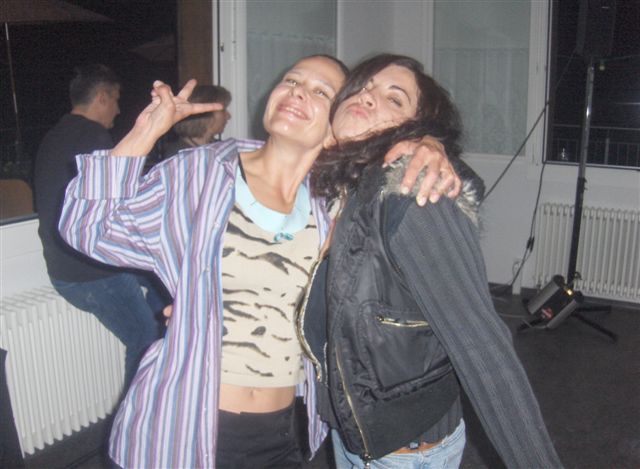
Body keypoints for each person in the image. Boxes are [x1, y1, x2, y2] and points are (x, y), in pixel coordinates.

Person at [58, 55, 460, 468]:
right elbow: (89, 229)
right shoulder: (201, 174)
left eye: (320, 91)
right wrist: (147, 130)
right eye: (292, 80)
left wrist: (429, 144)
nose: (297, 92)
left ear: (335, 129)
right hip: (188, 424)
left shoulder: (333, 203)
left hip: (285, 432)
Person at [304, 54, 563, 468]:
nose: (368, 97)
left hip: (406, 452)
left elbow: (483, 348)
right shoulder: (341, 188)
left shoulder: (414, 195)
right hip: (356, 433)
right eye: (363, 86)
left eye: (394, 98)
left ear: (414, 128)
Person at [34, 64, 167, 391]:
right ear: (103, 97)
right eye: (116, 100)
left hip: (67, 266)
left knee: (163, 280)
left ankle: (166, 339)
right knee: (145, 338)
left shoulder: (54, 136)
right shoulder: (93, 136)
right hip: (89, 273)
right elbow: (119, 205)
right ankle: (138, 413)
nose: (118, 110)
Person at [161, 84, 232, 157]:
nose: (229, 116)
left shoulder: (223, 149)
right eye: (223, 110)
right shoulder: (178, 156)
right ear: (204, 113)